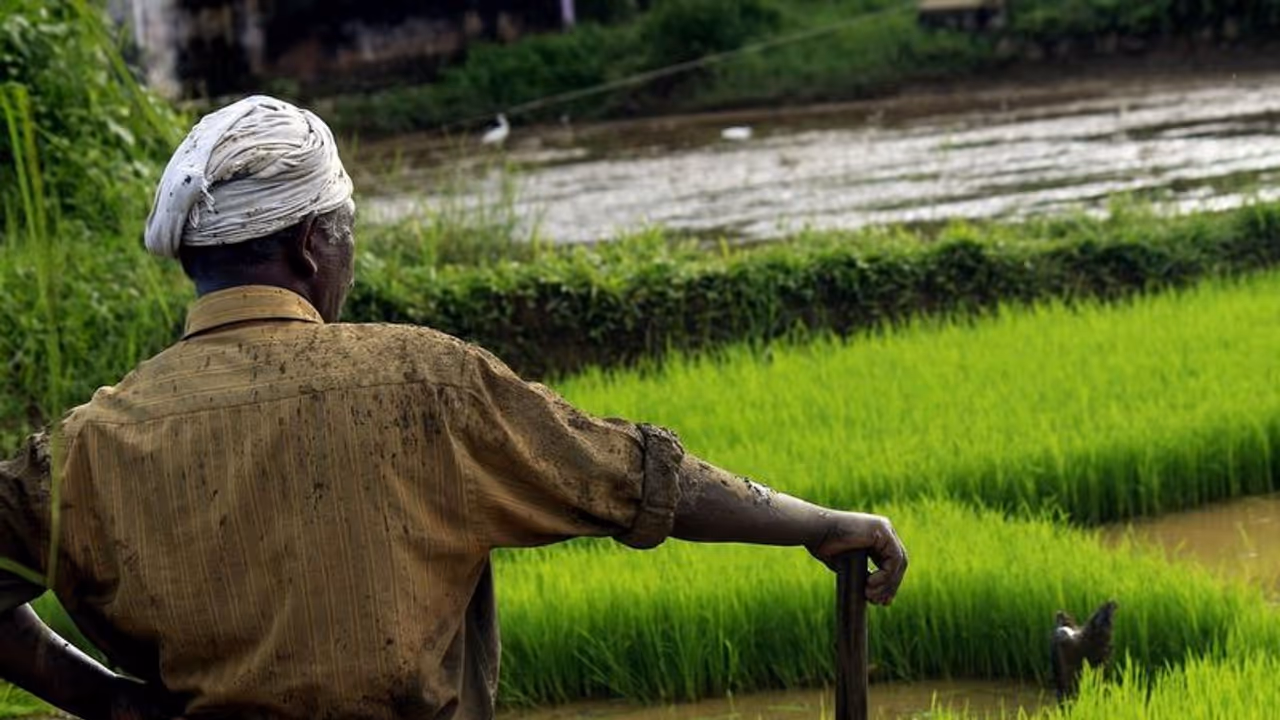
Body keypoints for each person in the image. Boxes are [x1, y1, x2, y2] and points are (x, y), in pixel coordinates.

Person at [0, 96, 907, 720]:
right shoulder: (424, 385)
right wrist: (820, 523)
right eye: (346, 231)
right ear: (317, 246)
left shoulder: (91, 444)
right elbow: (632, 477)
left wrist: (107, 700)